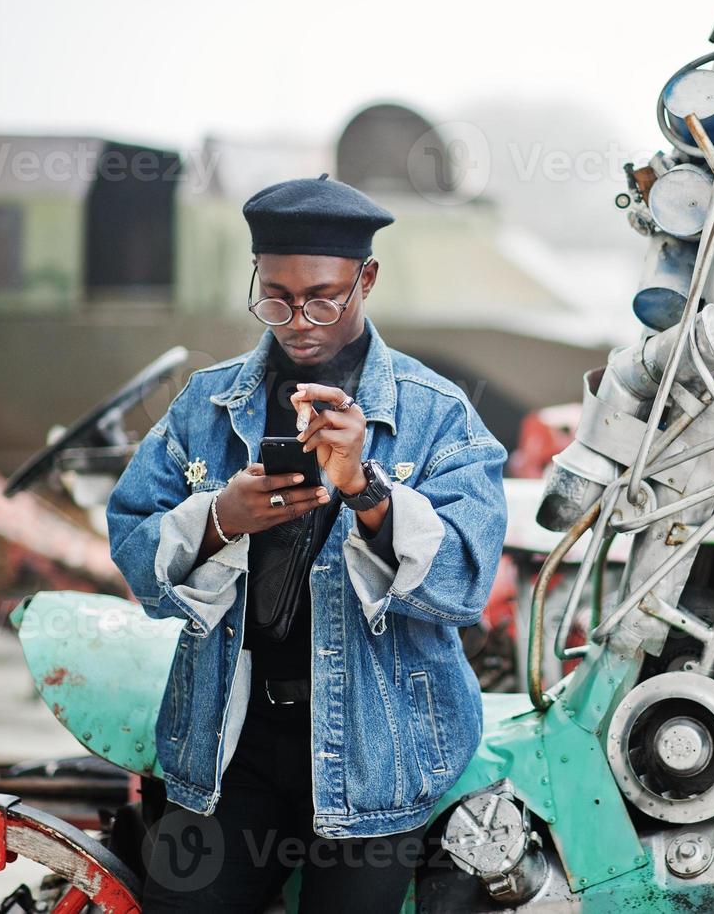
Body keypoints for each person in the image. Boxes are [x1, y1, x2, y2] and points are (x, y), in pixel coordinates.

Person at [105, 175, 509, 911]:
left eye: (324, 296)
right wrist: (220, 516)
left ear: (367, 279)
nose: (299, 321)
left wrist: (367, 489)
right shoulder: (206, 402)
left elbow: (461, 587)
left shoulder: (438, 416)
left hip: (380, 744)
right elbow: (135, 551)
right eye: (276, 297)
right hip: (229, 740)